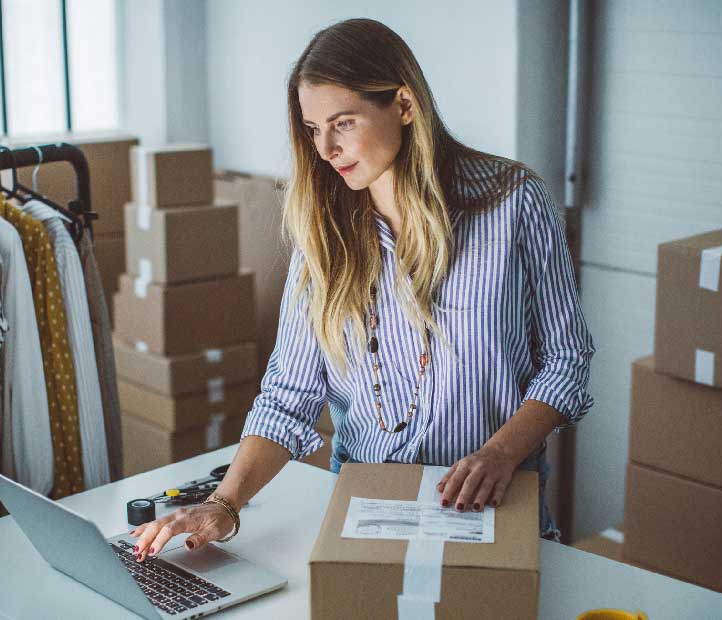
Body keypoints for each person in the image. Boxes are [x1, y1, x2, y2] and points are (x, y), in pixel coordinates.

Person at [131, 17, 595, 561]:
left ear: (403, 104)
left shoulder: (513, 202)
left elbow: (567, 361)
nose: (325, 148)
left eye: (342, 123)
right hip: (367, 508)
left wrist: (499, 453)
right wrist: (224, 504)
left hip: (493, 503)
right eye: (311, 129)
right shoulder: (324, 232)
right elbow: (289, 395)